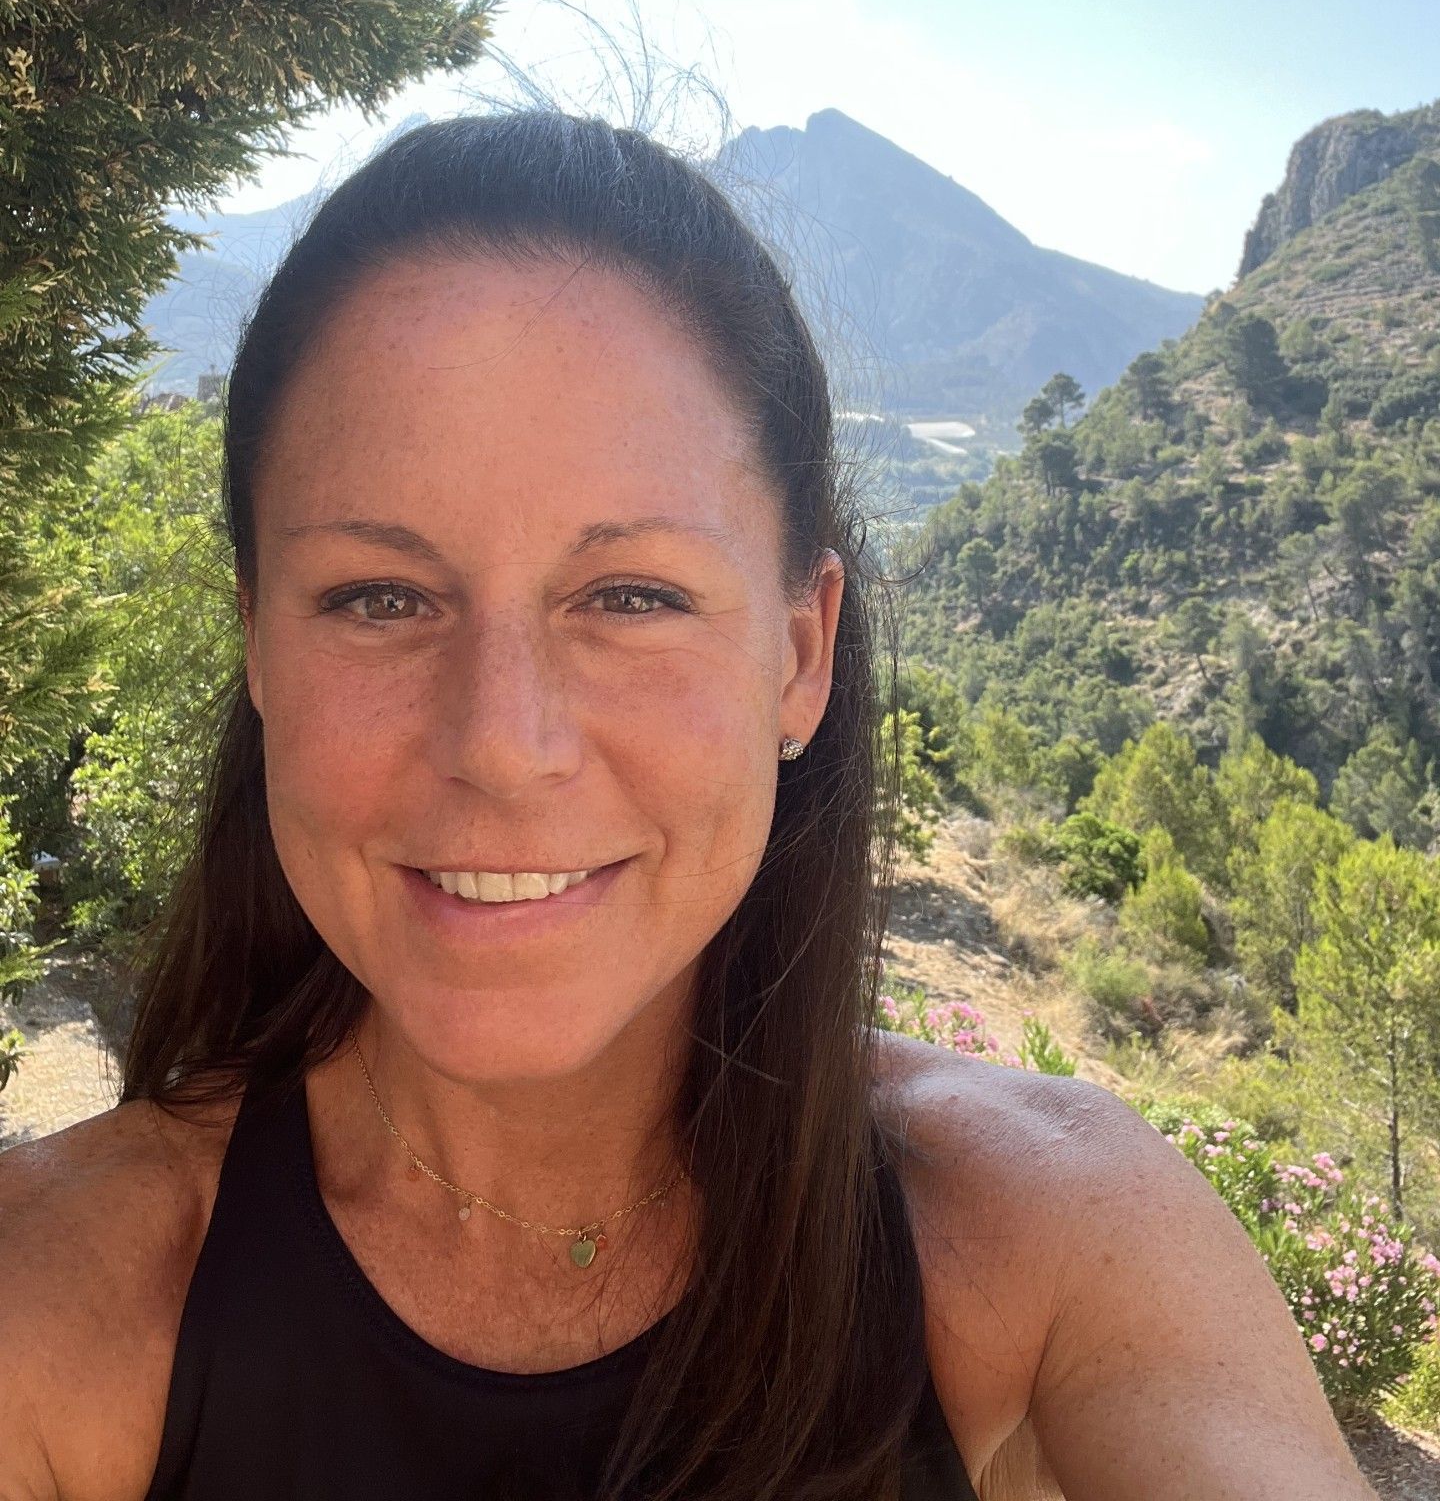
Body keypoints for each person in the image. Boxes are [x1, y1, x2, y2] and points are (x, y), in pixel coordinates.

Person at [0, 113, 1378, 1501]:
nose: (504, 746)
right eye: (379, 599)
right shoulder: (48, 1306)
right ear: (258, 645)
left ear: (800, 654)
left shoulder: (1059, 1237)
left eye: (631, 597)